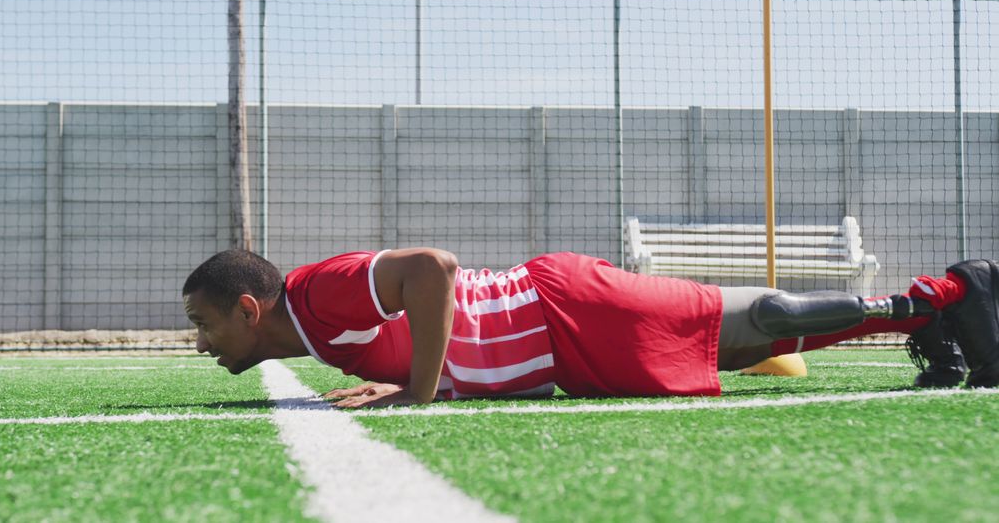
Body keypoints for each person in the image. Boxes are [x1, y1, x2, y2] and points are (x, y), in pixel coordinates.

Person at [181, 248, 999, 408]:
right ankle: (941, 318)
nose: (201, 341)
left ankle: (946, 291)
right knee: (760, 343)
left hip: (564, 307)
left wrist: (419, 395)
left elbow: (433, 268)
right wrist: (405, 374)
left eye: (206, 325)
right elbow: (422, 323)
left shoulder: (315, 292)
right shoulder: (318, 328)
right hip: (566, 357)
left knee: (762, 318)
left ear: (249, 310)